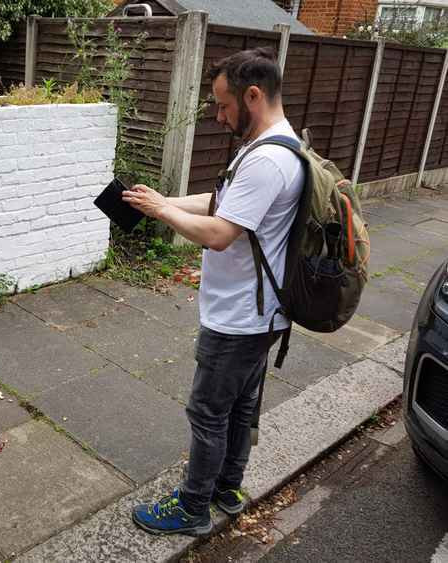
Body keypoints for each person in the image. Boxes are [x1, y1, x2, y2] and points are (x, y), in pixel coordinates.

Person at [124, 47, 304, 536]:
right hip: (262, 314)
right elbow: (221, 201)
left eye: (224, 106)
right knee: (240, 407)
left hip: (241, 317)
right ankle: (227, 487)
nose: (220, 116)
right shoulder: (274, 145)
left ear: (253, 94)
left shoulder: (267, 159)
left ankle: (193, 507)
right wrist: (161, 200)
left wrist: (164, 215)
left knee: (207, 411)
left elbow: (221, 233)